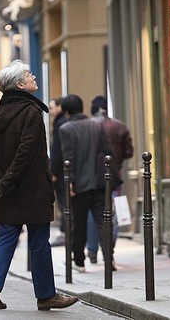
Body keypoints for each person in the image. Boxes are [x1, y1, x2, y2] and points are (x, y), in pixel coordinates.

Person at [0, 60, 78, 311]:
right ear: (20, 84)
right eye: (28, 74)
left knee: (6, 237)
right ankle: (46, 295)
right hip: (31, 188)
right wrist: (8, 180)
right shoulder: (31, 112)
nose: (33, 76)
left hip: (8, 189)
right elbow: (27, 151)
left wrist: (0, 180)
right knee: (38, 241)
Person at [58, 94, 114, 273]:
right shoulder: (97, 125)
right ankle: (108, 258)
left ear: (66, 111)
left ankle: (79, 262)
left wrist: (71, 181)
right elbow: (108, 151)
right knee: (103, 221)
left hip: (79, 184)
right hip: (98, 181)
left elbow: (69, 157)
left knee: (78, 223)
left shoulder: (65, 129)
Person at [85, 95, 134, 263]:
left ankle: (92, 250)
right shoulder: (119, 126)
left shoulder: (88, 126)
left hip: (92, 177)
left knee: (94, 212)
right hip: (114, 175)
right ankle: (109, 250)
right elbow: (129, 152)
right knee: (112, 213)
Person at [48, 96, 68, 246]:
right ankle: (65, 231)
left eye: (52, 107)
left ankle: (66, 232)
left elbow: (57, 150)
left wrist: (53, 171)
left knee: (64, 203)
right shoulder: (63, 123)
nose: (50, 111)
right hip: (64, 170)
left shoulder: (60, 125)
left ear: (60, 107)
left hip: (61, 172)